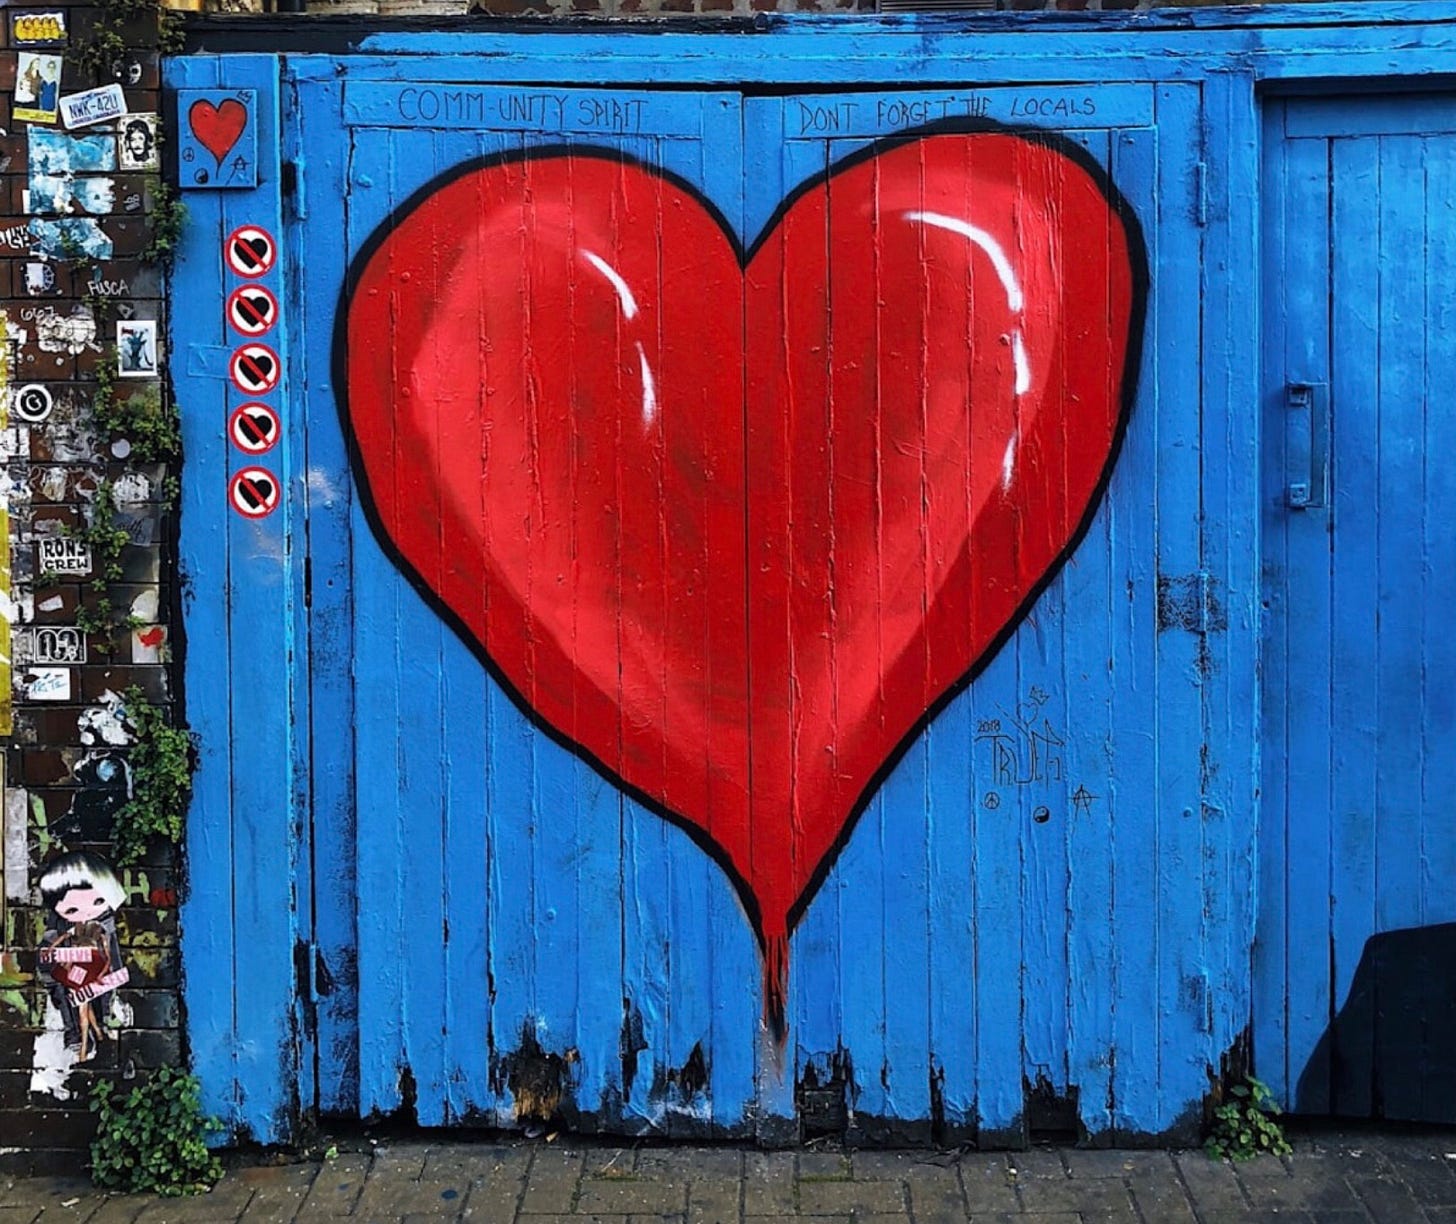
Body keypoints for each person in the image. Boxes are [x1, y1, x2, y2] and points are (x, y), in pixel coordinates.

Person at [37, 852, 129, 1061]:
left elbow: (110, 953)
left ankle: (96, 1031)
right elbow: (49, 957)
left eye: (98, 901)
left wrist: (108, 973)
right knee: (75, 1004)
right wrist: (53, 957)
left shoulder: (103, 927)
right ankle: (82, 1036)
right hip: (75, 974)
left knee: (93, 1003)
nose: (87, 911)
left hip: (94, 972)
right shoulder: (60, 929)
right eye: (72, 908)